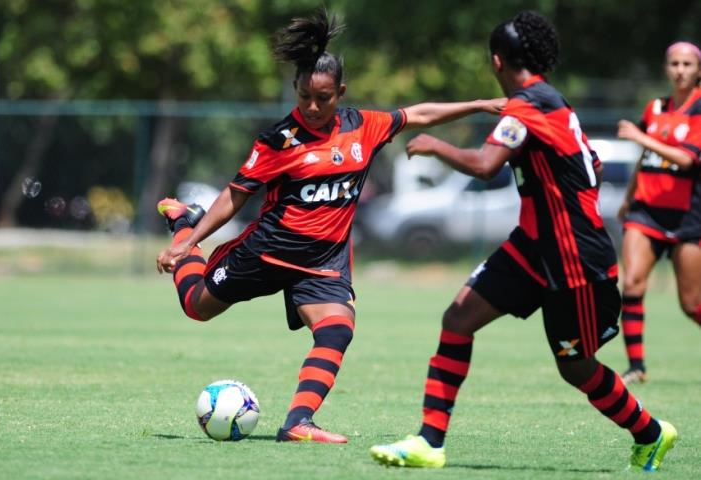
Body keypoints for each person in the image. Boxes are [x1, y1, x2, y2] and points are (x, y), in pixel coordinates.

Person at [155, 10, 505, 444]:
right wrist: (190, 238)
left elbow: (418, 114)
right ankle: (182, 221)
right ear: (295, 90)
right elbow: (234, 195)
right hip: (267, 252)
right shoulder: (279, 140)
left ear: (340, 92)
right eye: (305, 97)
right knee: (196, 307)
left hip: (323, 261)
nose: (314, 108)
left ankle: (298, 423)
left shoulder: (364, 126)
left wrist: (479, 105)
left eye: (324, 98)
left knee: (337, 329)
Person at [369, 10, 676, 471]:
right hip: (533, 246)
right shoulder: (549, 103)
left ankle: (651, 432)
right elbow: (585, 164)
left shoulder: (531, 105)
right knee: (457, 319)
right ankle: (429, 442)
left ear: (497, 62)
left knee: (576, 367)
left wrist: (436, 145)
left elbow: (486, 164)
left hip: (573, 256)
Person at [615, 41, 701, 385]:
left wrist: (639, 137)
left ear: (698, 70)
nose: (680, 70)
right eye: (674, 64)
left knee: (691, 303)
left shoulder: (698, 110)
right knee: (632, 283)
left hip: (688, 215)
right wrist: (629, 195)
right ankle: (636, 367)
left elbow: (686, 158)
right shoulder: (655, 107)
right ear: (666, 68)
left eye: (687, 64)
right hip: (646, 210)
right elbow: (646, 158)